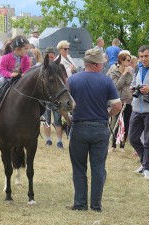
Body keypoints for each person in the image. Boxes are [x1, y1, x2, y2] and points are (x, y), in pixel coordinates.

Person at [67, 48, 122, 212]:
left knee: (79, 167)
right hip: (100, 127)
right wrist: (107, 115)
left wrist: (68, 118)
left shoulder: (73, 79)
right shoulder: (106, 81)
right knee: (98, 168)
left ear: (86, 63)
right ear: (98, 65)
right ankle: (96, 205)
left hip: (79, 127)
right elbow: (117, 106)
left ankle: (80, 204)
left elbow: (62, 104)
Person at [129, 45, 149, 180]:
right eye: (141, 56)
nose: (143, 59)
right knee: (133, 138)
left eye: (146, 56)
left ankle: (147, 168)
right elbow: (134, 83)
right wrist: (132, 88)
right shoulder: (137, 68)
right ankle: (144, 162)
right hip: (136, 108)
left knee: (148, 141)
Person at [107, 52, 133, 152]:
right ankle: (113, 145)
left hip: (128, 100)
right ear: (121, 61)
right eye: (128, 60)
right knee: (115, 123)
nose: (129, 62)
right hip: (117, 100)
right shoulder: (114, 71)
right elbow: (116, 86)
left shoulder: (131, 70)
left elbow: (131, 83)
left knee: (126, 123)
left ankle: (122, 145)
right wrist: (124, 74)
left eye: (130, 60)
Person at [42, 47, 65, 149]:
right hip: (45, 98)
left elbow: (64, 80)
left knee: (57, 120)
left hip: (56, 97)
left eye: (52, 56)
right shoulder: (42, 67)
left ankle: (59, 141)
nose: (51, 59)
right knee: (46, 120)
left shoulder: (59, 66)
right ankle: (48, 140)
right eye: (49, 57)